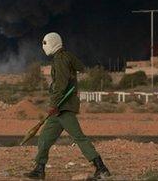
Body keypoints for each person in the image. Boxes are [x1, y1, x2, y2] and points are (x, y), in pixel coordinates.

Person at [24, 32, 110, 180]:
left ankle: (101, 168)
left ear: (52, 42)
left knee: (79, 138)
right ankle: (39, 169)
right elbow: (80, 67)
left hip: (63, 107)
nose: (43, 46)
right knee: (44, 138)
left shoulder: (60, 59)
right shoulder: (66, 56)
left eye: (45, 43)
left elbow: (60, 85)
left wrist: (53, 104)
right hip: (60, 109)